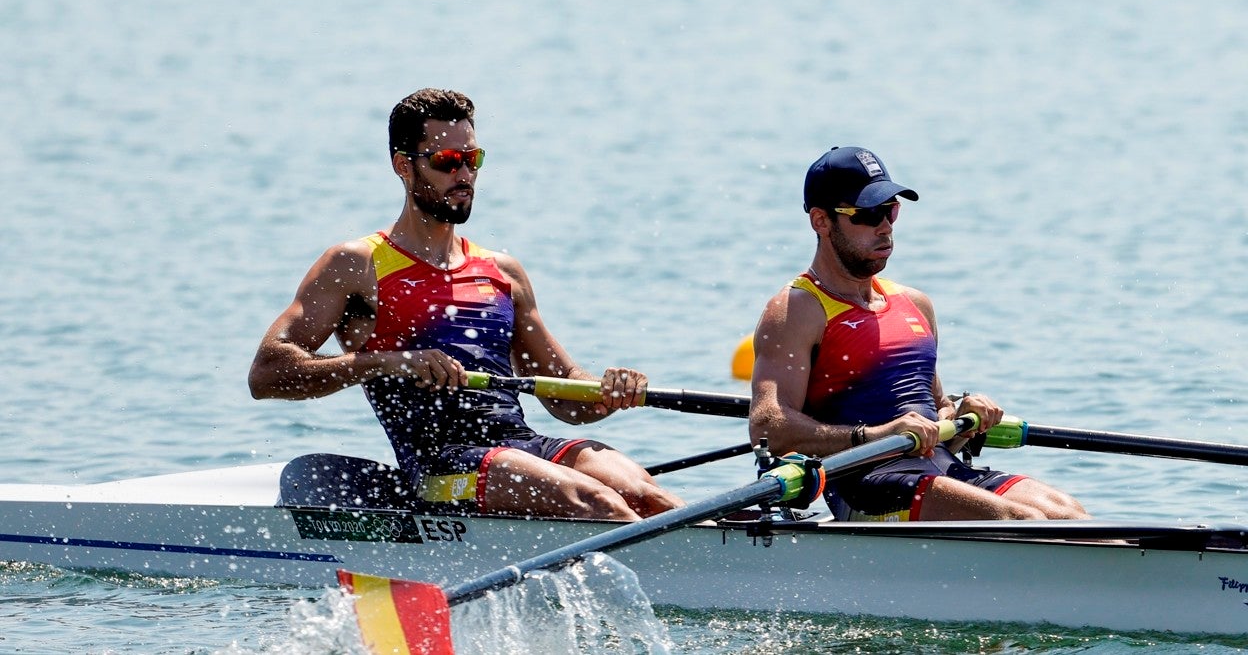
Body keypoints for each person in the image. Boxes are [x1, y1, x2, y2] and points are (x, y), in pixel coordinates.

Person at [249, 88, 682, 521]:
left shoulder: (503, 272)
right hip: (441, 468)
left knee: (650, 498)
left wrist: (608, 390)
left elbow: (566, 395)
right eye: (446, 162)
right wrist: (386, 362)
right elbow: (267, 373)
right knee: (599, 502)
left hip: (522, 446)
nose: (464, 175)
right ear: (403, 166)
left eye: (472, 160)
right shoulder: (356, 264)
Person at [748, 146, 1088, 521]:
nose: (885, 225)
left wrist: (962, 416)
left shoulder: (915, 304)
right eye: (868, 214)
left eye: (891, 209)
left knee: (1071, 515)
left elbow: (935, 414)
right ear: (821, 221)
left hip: (939, 469)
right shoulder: (797, 309)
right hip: (868, 485)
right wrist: (875, 434)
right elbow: (768, 428)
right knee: (1023, 523)